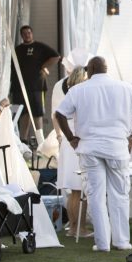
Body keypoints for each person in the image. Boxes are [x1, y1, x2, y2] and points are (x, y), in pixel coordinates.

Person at [55, 56, 132, 253]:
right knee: (120, 195)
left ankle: (103, 243)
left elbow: (60, 114)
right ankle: (122, 241)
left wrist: (71, 137)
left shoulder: (78, 90)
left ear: (89, 71)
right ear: (107, 69)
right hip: (117, 148)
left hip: (90, 148)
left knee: (96, 196)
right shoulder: (125, 88)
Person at [52, 65, 91, 236]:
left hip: (68, 144)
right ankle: (78, 228)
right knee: (79, 189)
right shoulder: (81, 95)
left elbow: (56, 115)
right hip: (76, 142)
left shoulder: (69, 94)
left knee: (74, 191)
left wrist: (61, 137)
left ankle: (73, 227)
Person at [11, 25, 61, 146]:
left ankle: (40, 141)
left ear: (32, 34)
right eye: (24, 33)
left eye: (29, 32)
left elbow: (56, 56)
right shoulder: (17, 49)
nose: (27, 35)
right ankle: (23, 140)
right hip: (20, 87)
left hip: (37, 87)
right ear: (21, 36)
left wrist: (44, 67)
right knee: (23, 113)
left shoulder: (39, 46)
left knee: (37, 113)